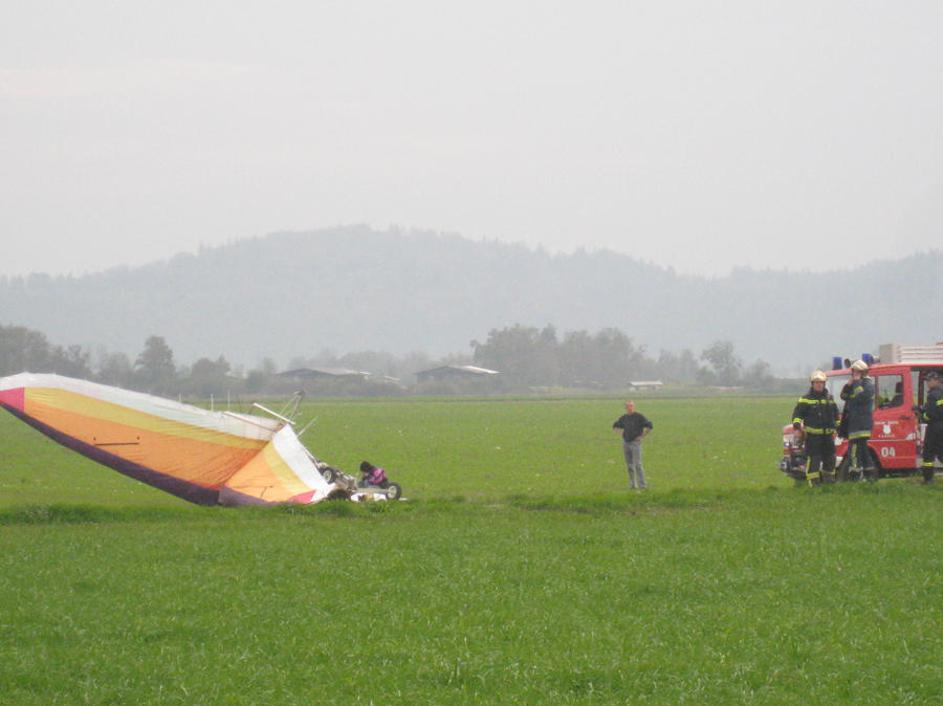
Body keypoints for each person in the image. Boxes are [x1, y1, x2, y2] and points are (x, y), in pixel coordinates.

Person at [792, 370, 839, 484]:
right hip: (813, 437)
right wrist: (797, 427)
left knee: (831, 459)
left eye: (821, 382)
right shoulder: (805, 399)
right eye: (816, 382)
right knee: (814, 460)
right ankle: (814, 484)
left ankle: (829, 483)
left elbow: (836, 416)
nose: (819, 385)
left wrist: (839, 428)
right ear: (812, 384)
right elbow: (797, 415)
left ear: (824, 384)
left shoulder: (829, 399)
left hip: (828, 436)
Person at [840, 359, 876, 481]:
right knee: (863, 451)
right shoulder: (856, 383)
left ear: (862, 372)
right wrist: (848, 385)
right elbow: (843, 396)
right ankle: (870, 475)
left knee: (854, 450)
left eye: (856, 372)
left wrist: (856, 383)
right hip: (854, 424)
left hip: (861, 425)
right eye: (853, 372)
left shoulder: (868, 385)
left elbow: (861, 397)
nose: (854, 374)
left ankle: (854, 475)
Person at [612, 400, 653, 489]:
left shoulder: (639, 417)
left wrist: (642, 436)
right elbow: (615, 426)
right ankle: (633, 484)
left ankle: (642, 485)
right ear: (625, 408)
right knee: (629, 465)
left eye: (631, 406)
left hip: (635, 443)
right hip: (626, 443)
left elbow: (650, 426)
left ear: (634, 407)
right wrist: (621, 434)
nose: (629, 408)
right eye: (628, 406)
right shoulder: (623, 418)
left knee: (638, 464)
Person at [917, 371, 943, 484]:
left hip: (934, 428)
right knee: (941, 452)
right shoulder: (941, 392)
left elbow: (930, 415)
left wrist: (921, 416)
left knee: (928, 453)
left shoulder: (933, 395)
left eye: (929, 380)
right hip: (940, 426)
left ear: (937, 380)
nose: (927, 383)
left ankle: (928, 479)